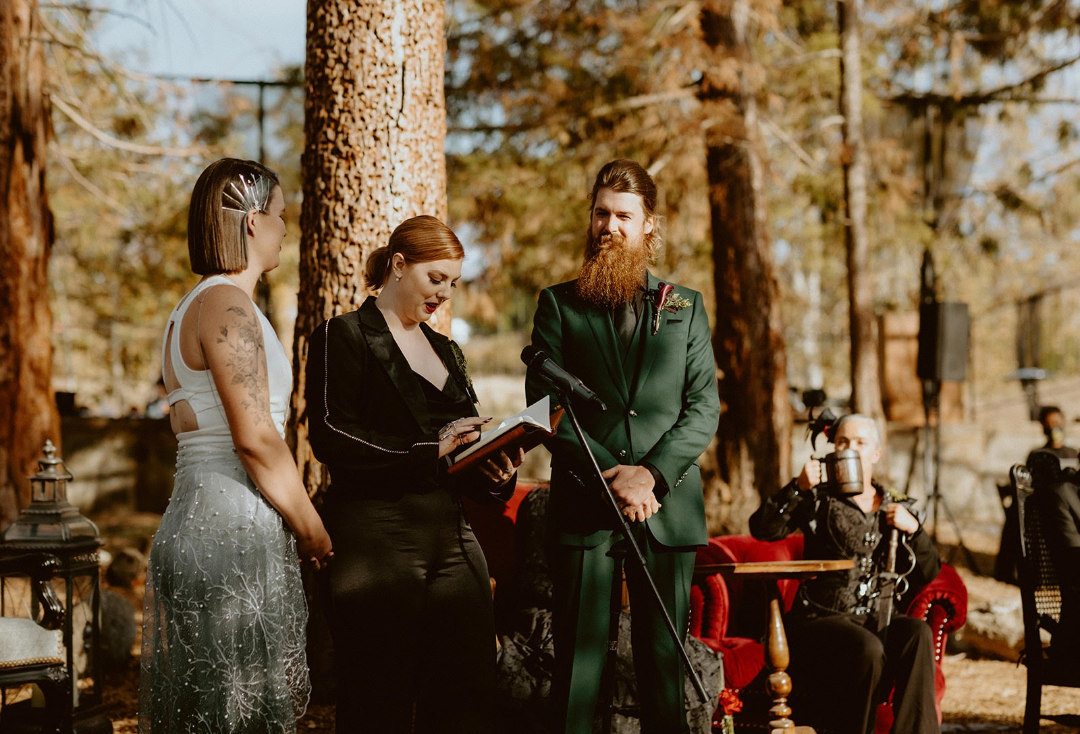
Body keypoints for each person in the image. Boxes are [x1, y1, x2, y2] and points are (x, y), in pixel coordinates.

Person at [305, 215, 524, 734]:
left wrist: (495, 470)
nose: (444, 293)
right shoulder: (343, 335)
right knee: (378, 699)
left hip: (451, 537)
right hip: (373, 539)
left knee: (466, 692)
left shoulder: (447, 350)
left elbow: (462, 453)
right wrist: (431, 449)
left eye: (453, 283)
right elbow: (331, 436)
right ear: (399, 265)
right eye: (436, 278)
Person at [525, 159, 721, 734]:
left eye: (623, 216)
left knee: (665, 673)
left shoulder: (685, 307)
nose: (609, 226)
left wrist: (650, 476)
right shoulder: (558, 305)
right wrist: (617, 476)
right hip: (586, 502)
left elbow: (702, 408)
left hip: (666, 507)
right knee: (578, 676)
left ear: (648, 224)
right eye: (601, 214)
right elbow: (546, 408)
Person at [140, 158, 333, 734]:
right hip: (231, 533)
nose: (286, 229)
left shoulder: (189, 307)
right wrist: (311, 528)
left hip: (192, 521)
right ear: (252, 221)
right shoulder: (227, 304)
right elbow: (254, 438)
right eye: (280, 215)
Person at [750, 414, 941, 734]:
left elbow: (930, 570)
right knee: (868, 647)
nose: (850, 449)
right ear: (833, 449)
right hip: (819, 620)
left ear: (876, 453)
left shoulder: (895, 503)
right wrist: (797, 487)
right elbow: (762, 529)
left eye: (860, 443)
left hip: (875, 617)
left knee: (917, 633)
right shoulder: (817, 499)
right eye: (842, 442)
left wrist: (915, 530)